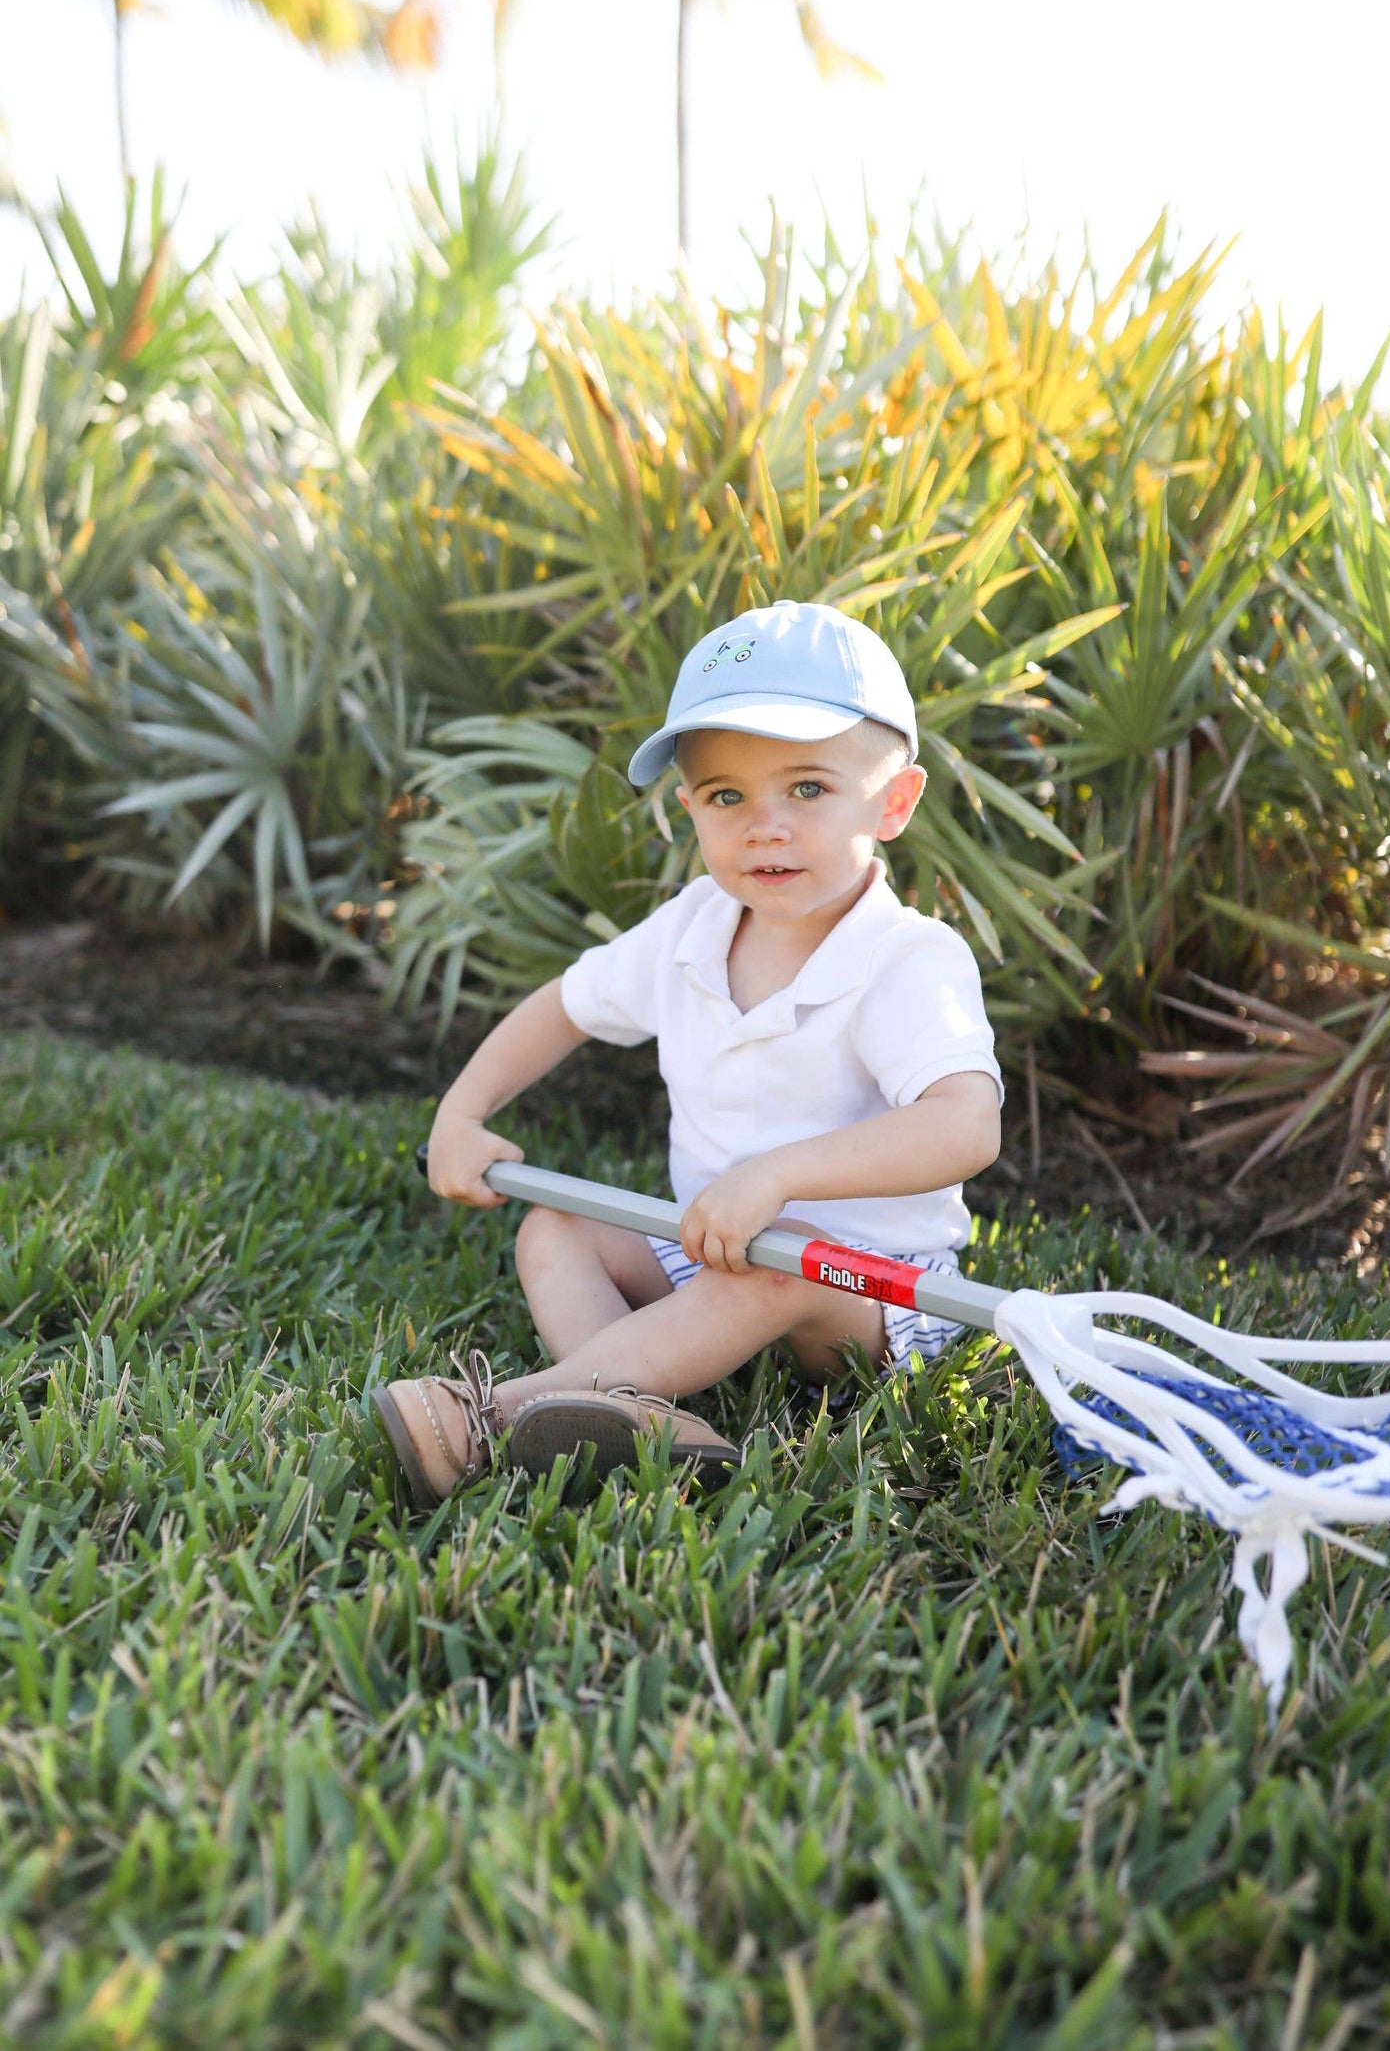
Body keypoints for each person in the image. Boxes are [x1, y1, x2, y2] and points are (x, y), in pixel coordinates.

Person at [371, 599, 1003, 1510]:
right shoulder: (693, 928)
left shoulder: (906, 959)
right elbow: (565, 1007)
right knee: (554, 1228)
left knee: (775, 1268)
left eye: (810, 788)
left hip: (864, 1290)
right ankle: (630, 1412)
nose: (764, 825)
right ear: (689, 809)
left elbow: (963, 1126)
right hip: (710, 1245)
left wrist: (781, 1175)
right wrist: (461, 1114)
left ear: (893, 802)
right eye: (726, 796)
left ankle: (493, 1421)